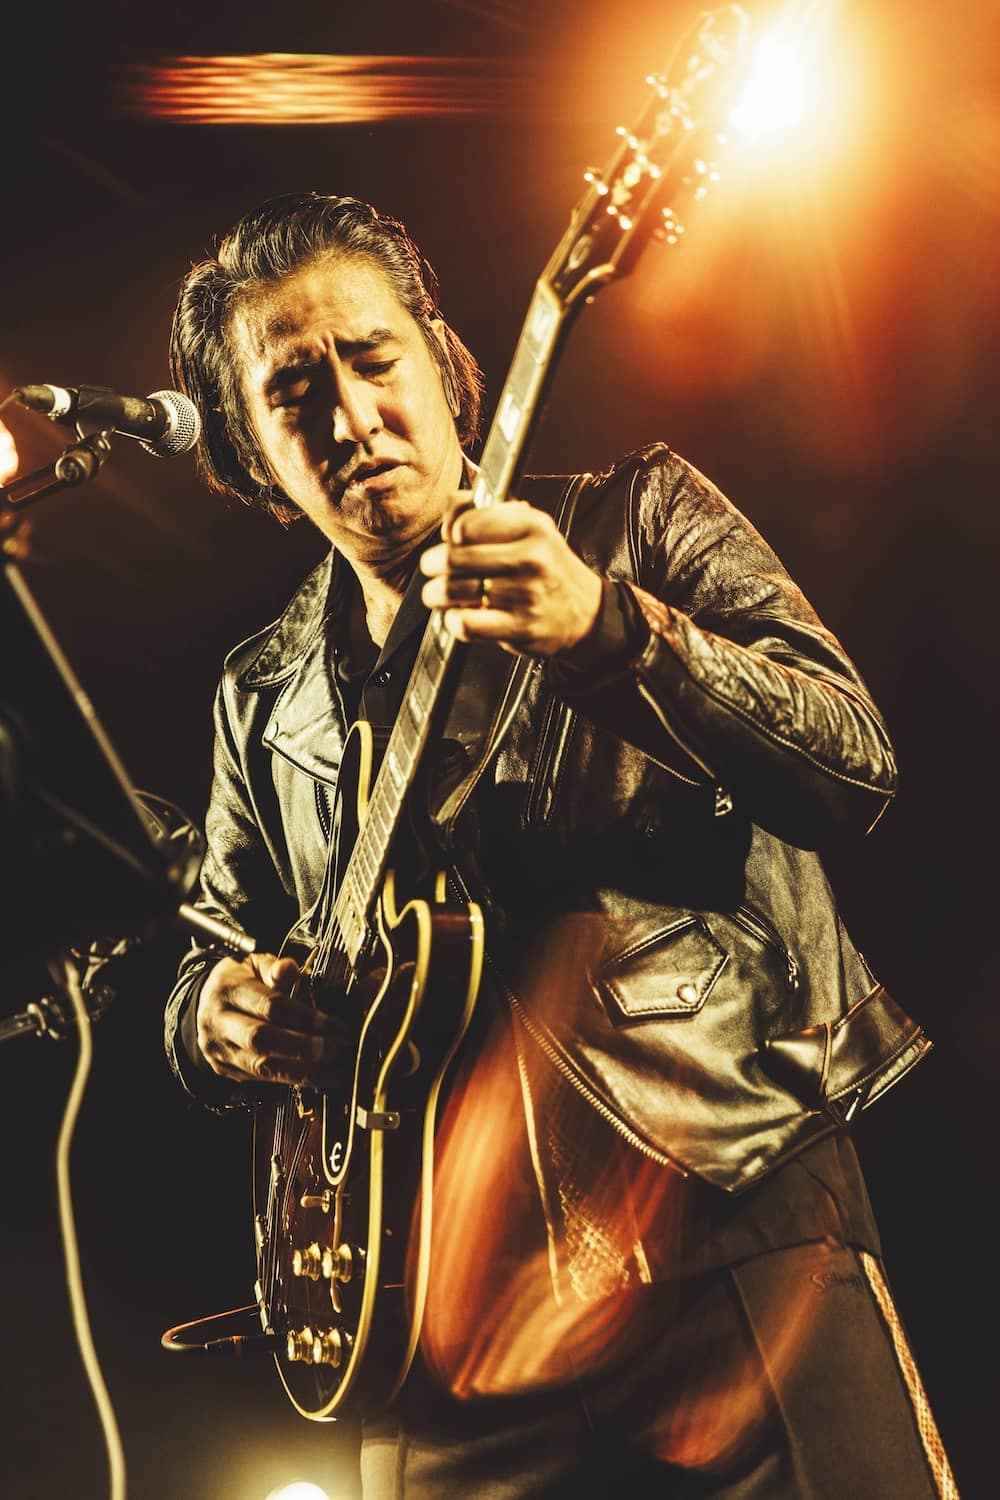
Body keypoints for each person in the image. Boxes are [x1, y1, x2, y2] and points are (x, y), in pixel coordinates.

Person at [163, 191, 957, 1498]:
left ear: (445, 366)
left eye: (372, 358)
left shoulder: (635, 520)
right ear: (252, 451)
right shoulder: (260, 694)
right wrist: (214, 1018)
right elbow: (210, 950)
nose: (351, 418)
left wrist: (610, 628)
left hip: (724, 1211)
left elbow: (850, 761)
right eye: (293, 392)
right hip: (431, 1309)